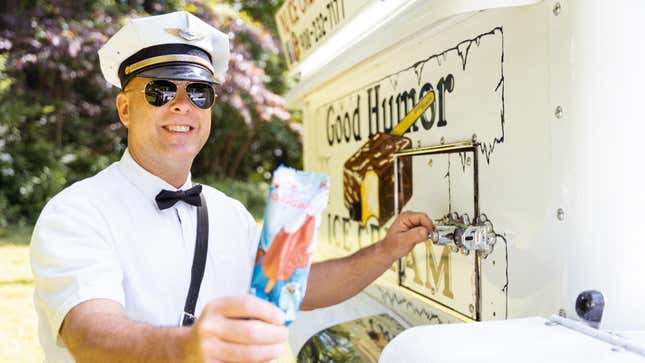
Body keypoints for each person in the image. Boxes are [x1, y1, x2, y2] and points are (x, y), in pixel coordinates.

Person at [30, 11, 434, 363]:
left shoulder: (229, 213)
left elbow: (293, 285)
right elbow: (89, 336)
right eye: (161, 90)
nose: (181, 105)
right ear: (124, 108)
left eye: (199, 92)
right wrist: (188, 349)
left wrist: (385, 251)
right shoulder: (77, 212)